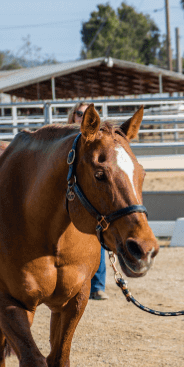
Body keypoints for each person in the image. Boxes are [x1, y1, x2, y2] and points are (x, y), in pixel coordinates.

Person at [68, 101, 108, 300]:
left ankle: (97, 286)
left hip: (87, 198)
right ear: (72, 116)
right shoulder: (64, 140)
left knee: (96, 237)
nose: (82, 117)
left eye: (87, 114)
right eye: (79, 113)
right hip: (69, 197)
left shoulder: (97, 141)